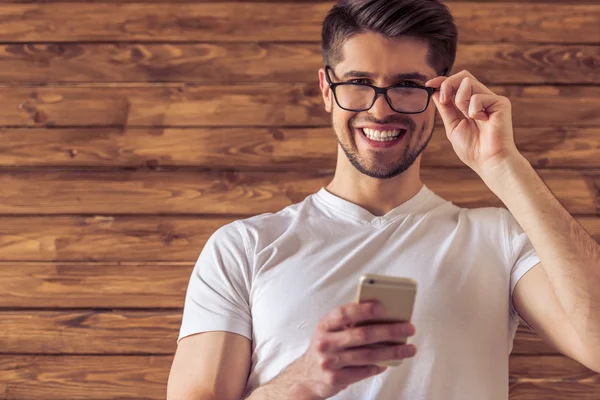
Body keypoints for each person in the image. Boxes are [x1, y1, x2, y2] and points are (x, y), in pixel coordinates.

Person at [167, 0, 600, 399]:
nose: (380, 110)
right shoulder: (243, 247)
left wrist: (505, 165)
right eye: (358, 82)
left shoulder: (500, 240)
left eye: (408, 85)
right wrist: (302, 382)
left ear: (439, 95)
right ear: (325, 88)